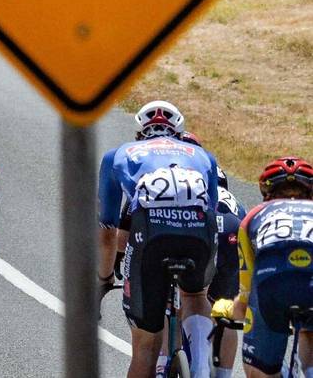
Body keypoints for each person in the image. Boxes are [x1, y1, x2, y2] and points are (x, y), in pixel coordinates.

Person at [98, 100, 220, 378]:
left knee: (145, 347)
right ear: (178, 131)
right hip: (199, 231)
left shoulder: (118, 155)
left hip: (150, 235)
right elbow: (211, 213)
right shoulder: (203, 156)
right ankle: (201, 367)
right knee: (195, 292)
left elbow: (107, 231)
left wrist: (103, 279)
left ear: (140, 132)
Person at [212, 156, 313, 378]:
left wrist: (227, 308)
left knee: (261, 371)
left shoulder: (253, 217)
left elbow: (246, 297)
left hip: (273, 287)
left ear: (266, 192)